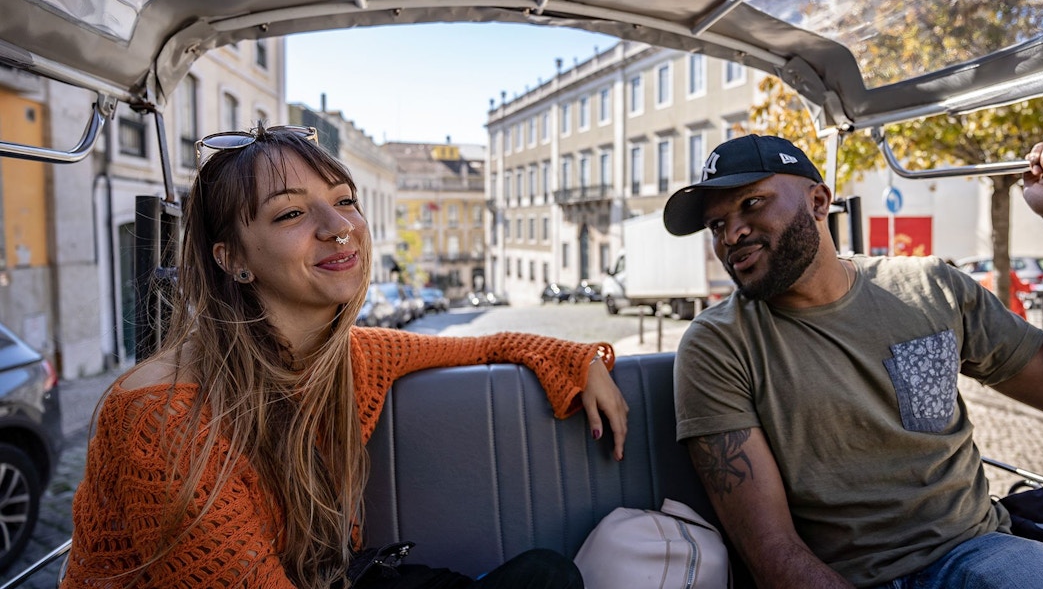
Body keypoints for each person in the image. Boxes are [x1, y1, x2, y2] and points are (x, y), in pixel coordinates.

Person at [62, 124, 629, 589]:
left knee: (548, 576)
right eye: (291, 214)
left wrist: (577, 359)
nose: (340, 229)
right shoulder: (165, 415)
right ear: (232, 257)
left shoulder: (351, 354)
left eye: (344, 201)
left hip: (333, 577)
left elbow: (486, 344)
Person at [662, 133, 1043, 588]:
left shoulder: (931, 287)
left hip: (978, 552)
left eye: (751, 203)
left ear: (818, 202)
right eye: (717, 225)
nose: (732, 235)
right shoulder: (718, 344)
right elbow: (773, 555)